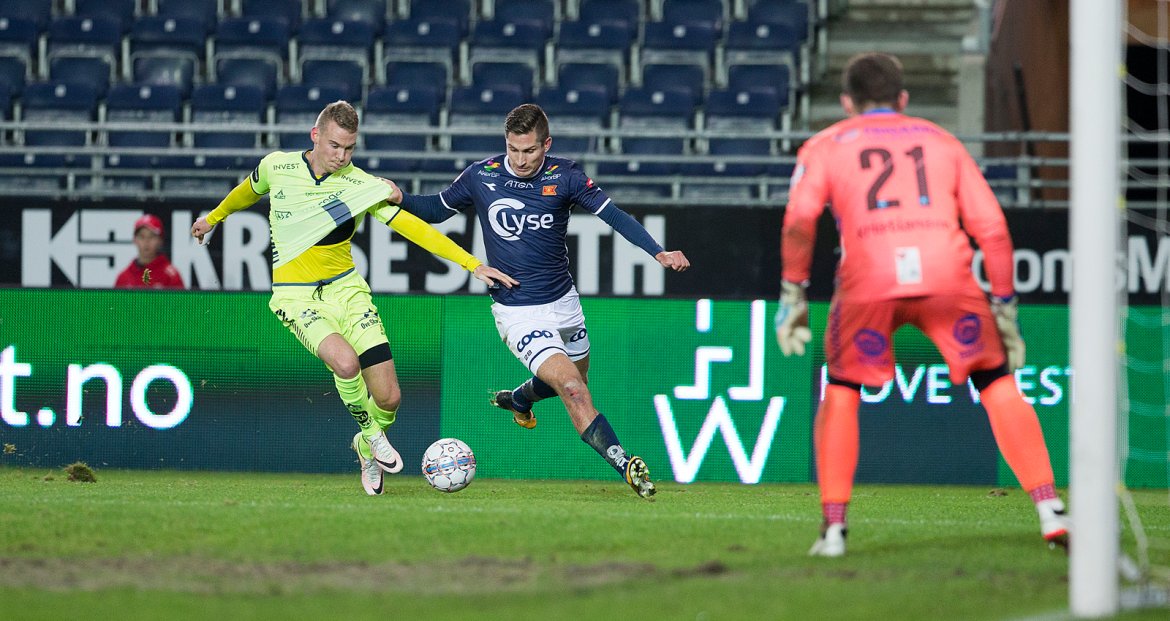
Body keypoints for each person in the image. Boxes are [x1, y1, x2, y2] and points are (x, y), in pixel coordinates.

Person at [774, 52, 1069, 557]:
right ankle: (1050, 509)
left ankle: (835, 530)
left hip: (868, 279)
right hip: (946, 277)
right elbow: (993, 229)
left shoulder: (824, 145)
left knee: (842, 390)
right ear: (903, 99)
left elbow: (801, 220)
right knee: (997, 383)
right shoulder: (941, 140)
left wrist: (793, 293)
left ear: (847, 103)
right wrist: (1004, 306)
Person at [190, 101, 517, 497]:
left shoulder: (361, 184)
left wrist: (471, 264)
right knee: (345, 363)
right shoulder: (277, 166)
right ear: (315, 135)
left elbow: (413, 227)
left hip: (348, 292)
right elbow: (247, 191)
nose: (342, 156)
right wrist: (214, 217)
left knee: (389, 397)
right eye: (334, 146)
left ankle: (365, 448)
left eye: (349, 148)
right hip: (296, 297)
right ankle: (373, 436)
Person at [382, 103, 690, 500]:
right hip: (517, 310)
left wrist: (658, 252)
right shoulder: (482, 175)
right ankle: (625, 463)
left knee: (577, 381)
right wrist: (401, 197)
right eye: (513, 149)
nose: (521, 159)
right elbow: (437, 211)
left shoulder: (567, 176)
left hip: (564, 303)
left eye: (529, 150)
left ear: (547, 144)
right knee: (573, 389)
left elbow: (614, 216)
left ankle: (520, 398)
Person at [115, 214, 185, 289]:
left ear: (160, 240)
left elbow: (182, 300)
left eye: (152, 236)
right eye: (142, 236)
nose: (146, 241)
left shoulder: (171, 276)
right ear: (135, 240)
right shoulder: (124, 278)